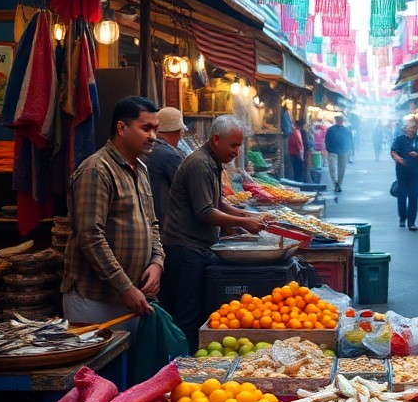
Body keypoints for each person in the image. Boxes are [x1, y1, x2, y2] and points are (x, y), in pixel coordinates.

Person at [159, 115, 266, 351]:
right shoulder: (199, 164)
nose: (237, 152)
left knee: (195, 311)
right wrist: (245, 223)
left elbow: (219, 203)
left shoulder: (212, 162)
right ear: (217, 139)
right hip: (185, 249)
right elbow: (205, 212)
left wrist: (247, 217)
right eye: (234, 145)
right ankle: (183, 368)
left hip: (198, 248)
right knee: (188, 315)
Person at [61, 96, 165, 333]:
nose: (153, 136)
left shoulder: (140, 168)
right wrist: (124, 287)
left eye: (155, 130)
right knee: (98, 368)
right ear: (121, 127)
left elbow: (153, 224)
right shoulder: (96, 169)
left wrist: (157, 262)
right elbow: (90, 236)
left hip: (133, 298)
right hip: (96, 300)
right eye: (145, 128)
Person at [145, 106, 185, 224]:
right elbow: (186, 190)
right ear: (179, 132)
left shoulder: (147, 149)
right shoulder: (171, 155)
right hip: (163, 223)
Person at [391, 119, 418, 230]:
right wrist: (398, 159)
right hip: (402, 171)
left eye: (413, 128)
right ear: (406, 129)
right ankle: (402, 217)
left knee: (413, 196)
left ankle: (411, 222)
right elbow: (393, 151)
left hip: (415, 171)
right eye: (409, 128)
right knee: (402, 195)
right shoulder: (400, 139)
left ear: (416, 129)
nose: (410, 130)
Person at [324, 114, 353, 193]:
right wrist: (328, 149)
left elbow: (350, 141)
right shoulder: (330, 130)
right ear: (336, 120)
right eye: (338, 120)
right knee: (332, 168)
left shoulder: (346, 130)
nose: (339, 121)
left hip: (343, 151)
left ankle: (339, 184)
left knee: (342, 169)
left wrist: (350, 150)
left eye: (340, 120)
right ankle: (335, 183)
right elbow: (327, 140)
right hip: (333, 151)